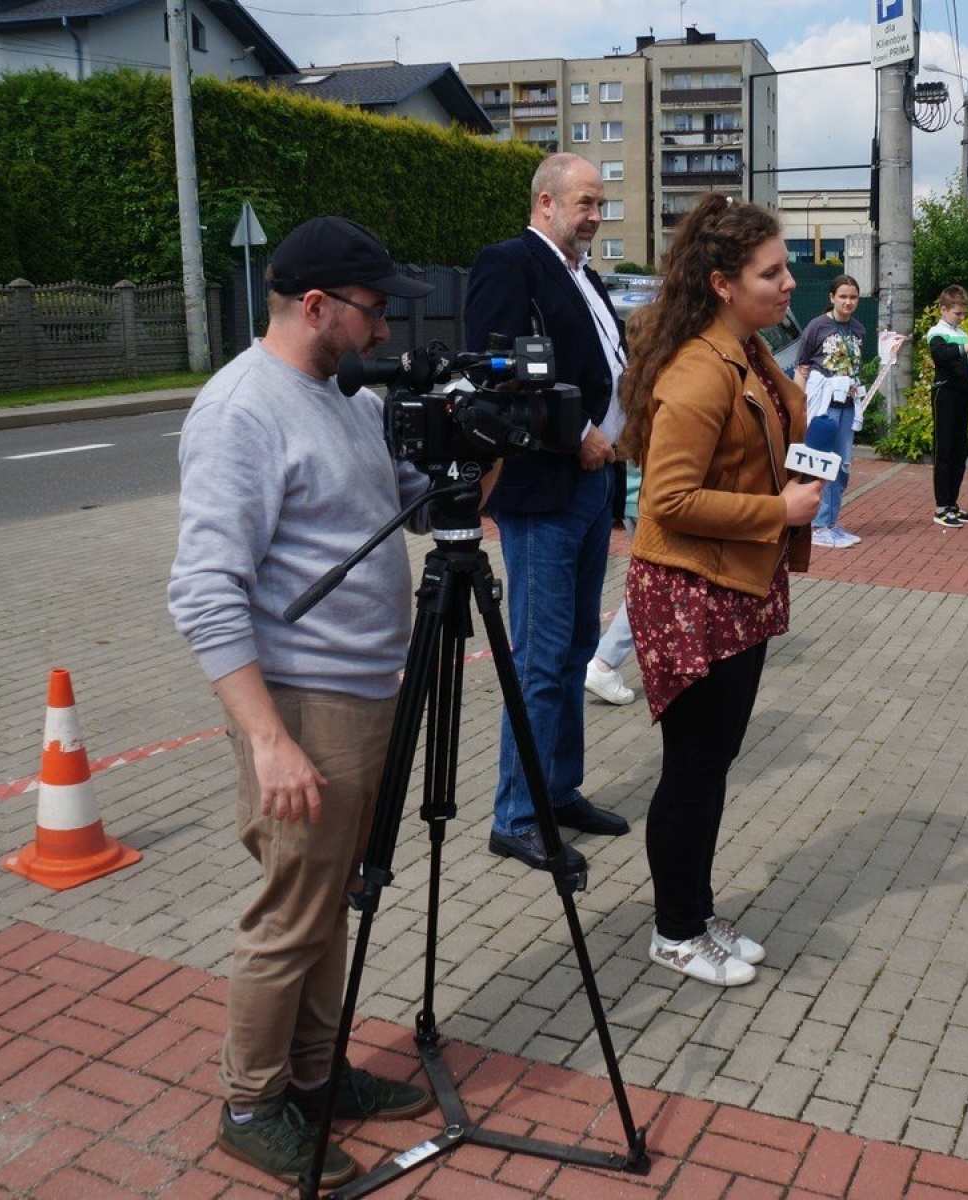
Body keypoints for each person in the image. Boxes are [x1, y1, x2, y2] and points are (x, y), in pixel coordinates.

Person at [168, 216, 438, 1188]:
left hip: (363, 694)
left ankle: (316, 1076)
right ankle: (249, 1103)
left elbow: (408, 499)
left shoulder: (345, 396)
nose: (385, 330)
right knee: (291, 915)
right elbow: (204, 589)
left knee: (329, 904)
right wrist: (269, 740)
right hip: (303, 706)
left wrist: (482, 444)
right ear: (315, 305)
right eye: (373, 310)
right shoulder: (242, 410)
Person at [615, 194, 822, 988]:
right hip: (693, 594)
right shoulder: (700, 371)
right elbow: (668, 500)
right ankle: (674, 931)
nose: (787, 284)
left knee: (712, 763)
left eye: (784, 269)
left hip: (735, 585)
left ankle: (696, 914)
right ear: (722, 283)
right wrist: (779, 511)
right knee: (693, 768)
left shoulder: (746, 350)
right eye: (771, 273)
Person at [464, 153, 631, 870]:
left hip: (593, 485)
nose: (596, 215)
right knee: (539, 656)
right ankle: (517, 813)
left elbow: (602, 366)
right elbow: (496, 373)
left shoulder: (584, 274)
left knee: (573, 650)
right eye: (585, 203)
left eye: (599, 204)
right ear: (545, 203)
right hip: (544, 490)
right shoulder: (510, 264)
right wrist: (581, 432)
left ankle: (558, 790)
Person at [795, 274, 867, 547]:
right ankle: (815, 524)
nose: (848, 302)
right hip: (823, 405)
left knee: (842, 464)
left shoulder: (858, 329)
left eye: (853, 297)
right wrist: (798, 405)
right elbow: (802, 367)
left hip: (847, 404)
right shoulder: (817, 326)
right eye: (843, 296)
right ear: (832, 297)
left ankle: (830, 521)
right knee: (818, 462)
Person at [926, 285, 968, 527]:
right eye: (957, 313)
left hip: (962, 394)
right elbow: (941, 355)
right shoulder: (937, 332)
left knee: (958, 452)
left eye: (964, 313)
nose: (961, 317)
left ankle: (952, 504)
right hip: (944, 394)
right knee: (944, 451)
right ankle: (941, 508)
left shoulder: (962, 334)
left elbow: (965, 366)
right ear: (943, 309)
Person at [586, 462, 641, 705]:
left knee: (652, 588)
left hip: (636, 496)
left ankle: (603, 662)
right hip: (650, 499)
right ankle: (603, 662)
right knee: (651, 590)